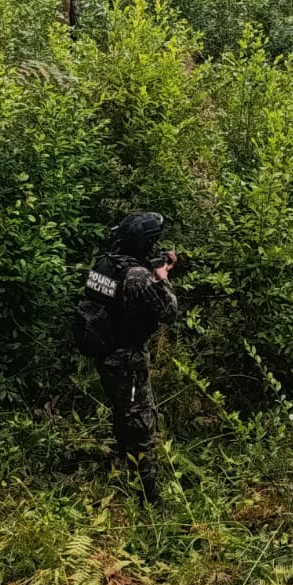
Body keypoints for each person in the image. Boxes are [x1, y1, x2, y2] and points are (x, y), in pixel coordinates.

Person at [83, 211, 179, 505]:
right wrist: (162, 277)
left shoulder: (104, 264)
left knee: (123, 411)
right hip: (127, 359)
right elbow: (169, 312)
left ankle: (122, 468)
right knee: (141, 424)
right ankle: (151, 500)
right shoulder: (138, 276)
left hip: (105, 352)